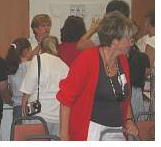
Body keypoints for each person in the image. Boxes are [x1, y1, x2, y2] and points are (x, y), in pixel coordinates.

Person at [57, 12, 138, 141]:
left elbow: (125, 96)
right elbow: (65, 100)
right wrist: (64, 137)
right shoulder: (87, 59)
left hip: (117, 130)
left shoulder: (122, 61)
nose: (131, 43)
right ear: (114, 41)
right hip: (91, 131)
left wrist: (129, 120)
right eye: (128, 39)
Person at [20, 36, 69, 136]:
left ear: (41, 48)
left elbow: (27, 90)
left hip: (38, 115)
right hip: (58, 117)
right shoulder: (64, 66)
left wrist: (24, 112)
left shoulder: (37, 60)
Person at [5, 38, 32, 122]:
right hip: (30, 105)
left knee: (18, 133)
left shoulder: (10, 67)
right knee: (33, 134)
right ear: (26, 50)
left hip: (17, 106)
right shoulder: (32, 65)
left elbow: (9, 89)